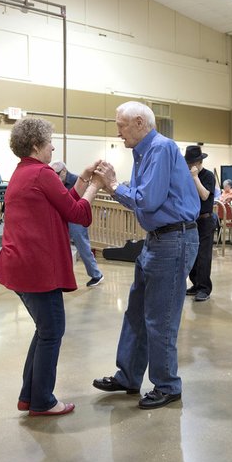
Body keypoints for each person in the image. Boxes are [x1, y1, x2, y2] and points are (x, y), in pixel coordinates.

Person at [91, 101, 199, 410]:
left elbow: (147, 201)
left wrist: (113, 185)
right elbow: (141, 200)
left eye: (121, 125)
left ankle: (167, 385)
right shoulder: (144, 153)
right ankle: (128, 375)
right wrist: (117, 187)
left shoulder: (160, 149)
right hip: (157, 239)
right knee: (136, 311)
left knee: (160, 316)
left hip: (173, 240)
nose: (118, 131)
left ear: (140, 122)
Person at [0, 118, 103, 417]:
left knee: (45, 330)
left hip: (20, 265)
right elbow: (78, 213)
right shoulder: (42, 173)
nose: (53, 146)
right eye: (49, 141)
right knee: (52, 331)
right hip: (36, 268)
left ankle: (30, 395)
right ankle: (42, 400)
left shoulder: (24, 172)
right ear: (35, 145)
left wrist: (81, 180)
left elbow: (63, 202)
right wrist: (95, 185)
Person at [49, 160, 104, 287]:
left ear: (64, 171)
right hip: (62, 216)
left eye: (57, 173)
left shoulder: (76, 180)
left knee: (83, 246)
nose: (55, 176)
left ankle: (96, 275)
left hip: (76, 218)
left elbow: (85, 199)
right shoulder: (55, 180)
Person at [183, 145, 216, 302]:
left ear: (197, 162)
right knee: (192, 255)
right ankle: (196, 284)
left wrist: (195, 178)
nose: (188, 166)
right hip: (191, 220)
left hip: (205, 220)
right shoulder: (186, 176)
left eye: (190, 163)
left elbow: (204, 196)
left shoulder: (208, 176)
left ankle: (204, 288)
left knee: (203, 256)